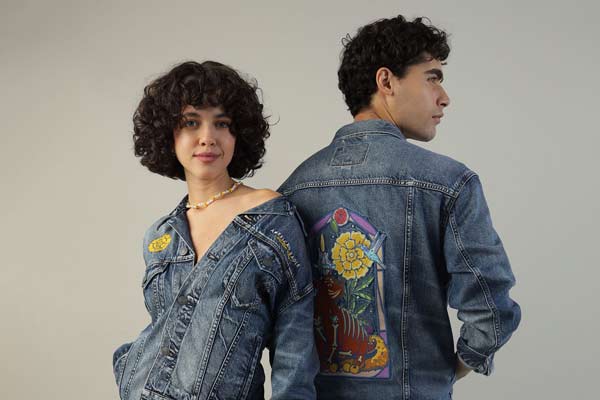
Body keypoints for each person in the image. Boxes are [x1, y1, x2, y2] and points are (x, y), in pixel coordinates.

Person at [278, 15, 521, 399]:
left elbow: (281, 324)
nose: (444, 97)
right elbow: (491, 310)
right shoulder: (449, 183)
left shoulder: (291, 190)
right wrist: (447, 371)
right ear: (386, 81)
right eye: (432, 78)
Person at [112, 61, 318, 400]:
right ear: (169, 133)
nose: (208, 138)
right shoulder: (161, 235)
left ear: (239, 134)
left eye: (222, 124)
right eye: (191, 122)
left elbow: (295, 343)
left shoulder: (270, 218)